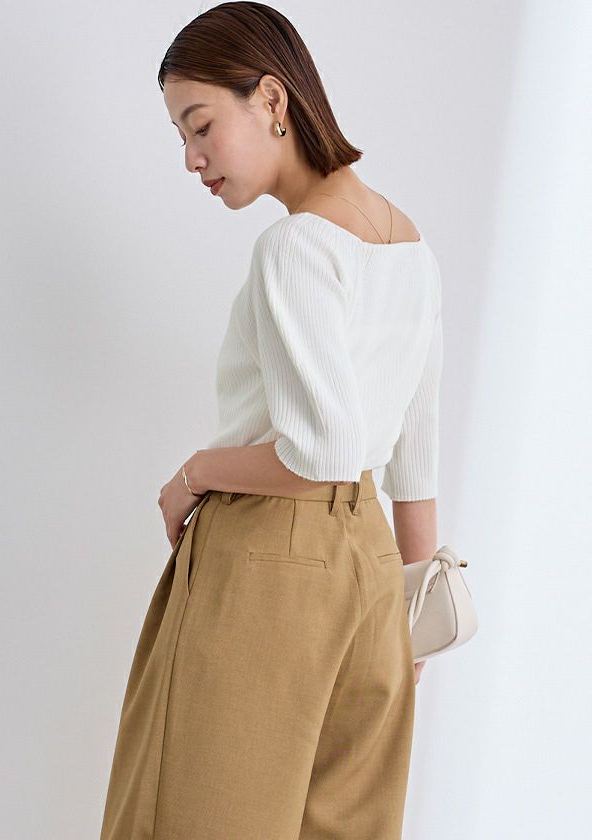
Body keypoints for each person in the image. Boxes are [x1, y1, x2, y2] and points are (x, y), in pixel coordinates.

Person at [100, 3, 443, 838]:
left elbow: (321, 450)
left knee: (194, 817)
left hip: (268, 562)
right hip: (372, 571)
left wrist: (194, 475)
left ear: (271, 99)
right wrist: (412, 620)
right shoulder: (411, 248)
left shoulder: (295, 248)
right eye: (182, 136)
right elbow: (415, 455)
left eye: (200, 125)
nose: (192, 157)